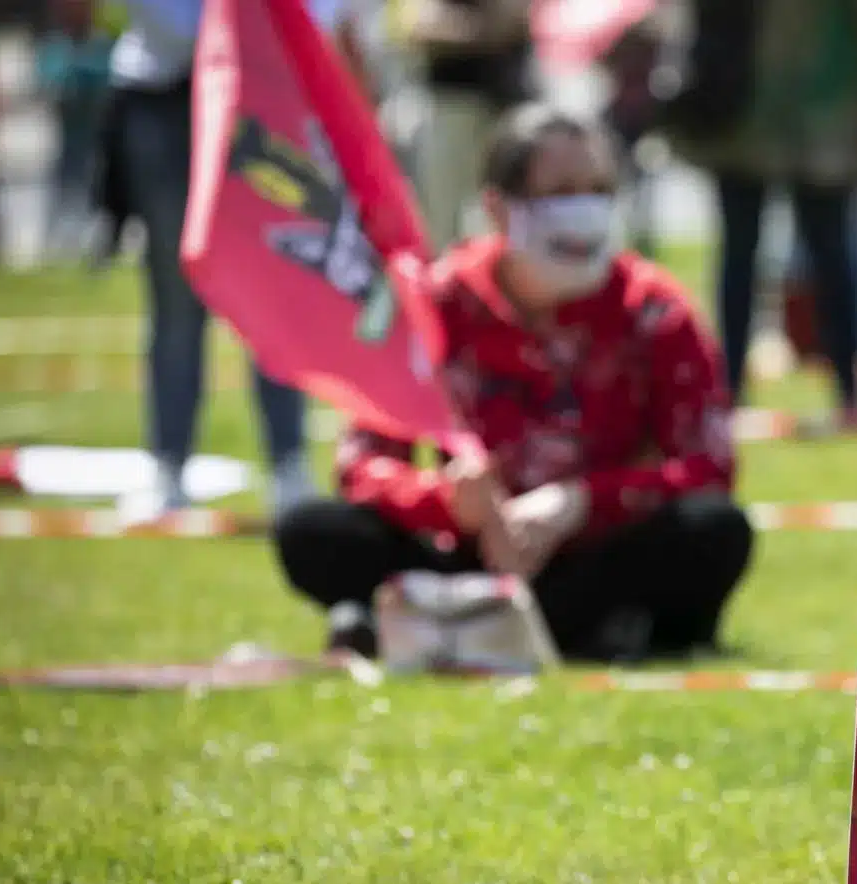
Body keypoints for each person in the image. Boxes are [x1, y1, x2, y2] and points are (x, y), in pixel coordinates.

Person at [272, 105, 754, 664]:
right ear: (499, 208)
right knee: (311, 530)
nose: (586, 209)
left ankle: (436, 624)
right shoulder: (438, 302)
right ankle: (517, 623)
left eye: (599, 190)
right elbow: (361, 465)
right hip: (470, 555)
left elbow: (709, 466)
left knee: (713, 529)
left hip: (598, 553)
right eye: (563, 191)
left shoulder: (654, 308)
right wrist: (448, 503)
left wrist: (581, 503)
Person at [103, 0, 370, 522]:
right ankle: (168, 467)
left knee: (275, 291)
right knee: (175, 299)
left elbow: (322, 16)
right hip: (169, 103)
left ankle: (289, 467)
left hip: (266, 103)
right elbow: (165, 25)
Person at [667, 0, 857, 431]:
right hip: (746, 103)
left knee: (829, 254)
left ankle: (848, 394)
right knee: (745, 253)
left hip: (822, 109)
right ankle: (729, 392)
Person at [400, 0, 530, 248]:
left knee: (503, 208)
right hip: (453, 103)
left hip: (505, 106)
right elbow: (421, 27)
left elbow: (512, 18)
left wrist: (472, 28)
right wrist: (482, 29)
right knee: (442, 210)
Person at [37, 0, 114, 254]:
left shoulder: (101, 45)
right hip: (68, 138)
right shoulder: (56, 47)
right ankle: (61, 244)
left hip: (99, 137)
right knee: (66, 189)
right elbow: (50, 86)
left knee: (98, 188)